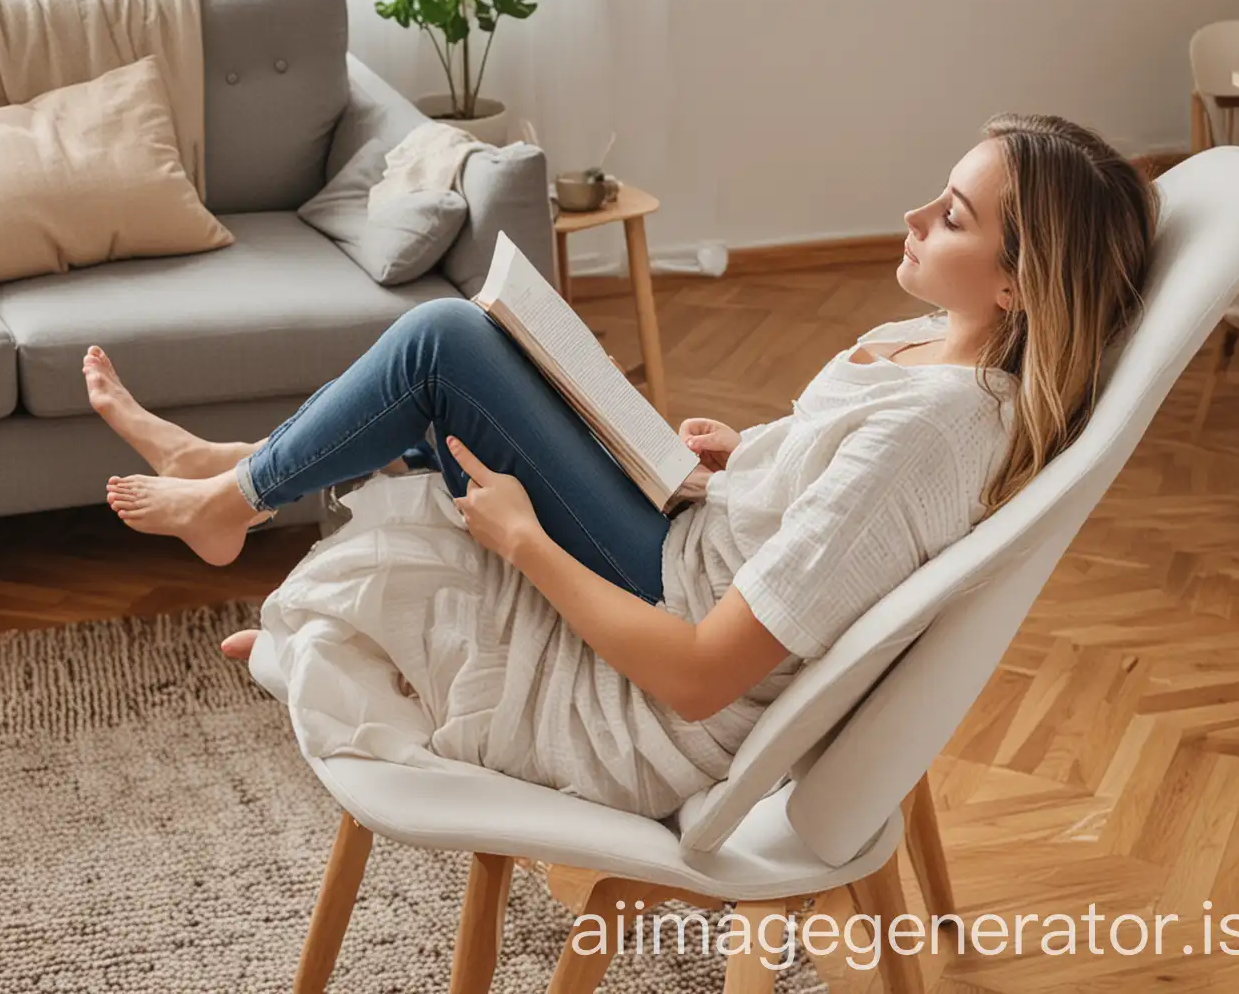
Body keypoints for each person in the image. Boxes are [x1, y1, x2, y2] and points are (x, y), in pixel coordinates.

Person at [87, 112, 1158, 818]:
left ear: (1018, 287)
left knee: (447, 349)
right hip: (688, 534)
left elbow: (699, 679)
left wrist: (527, 542)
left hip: (669, 616)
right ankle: (236, 475)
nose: (916, 219)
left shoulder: (928, 438)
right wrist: (746, 455)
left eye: (954, 220)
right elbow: (826, 491)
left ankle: (232, 495)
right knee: (476, 371)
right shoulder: (923, 351)